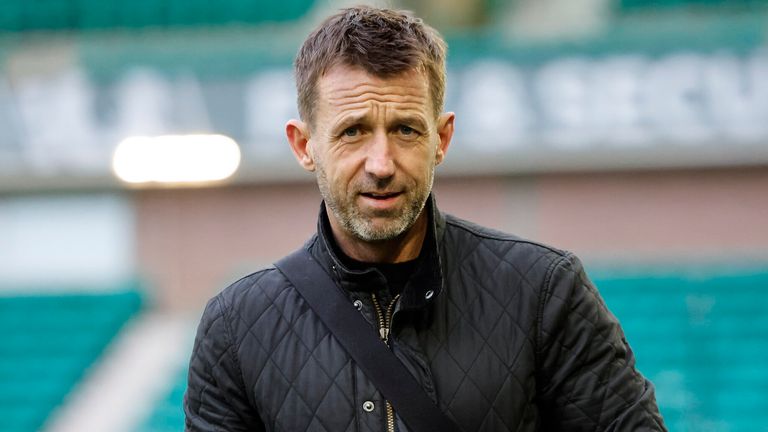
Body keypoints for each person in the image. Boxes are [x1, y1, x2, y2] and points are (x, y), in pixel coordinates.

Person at [184, 6, 667, 432]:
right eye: (353, 132)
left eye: (405, 130)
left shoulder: (545, 293)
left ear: (442, 137)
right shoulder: (236, 326)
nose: (381, 163)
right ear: (304, 145)